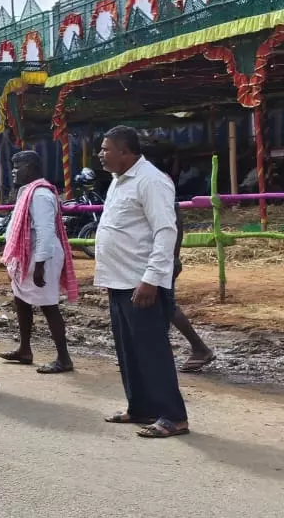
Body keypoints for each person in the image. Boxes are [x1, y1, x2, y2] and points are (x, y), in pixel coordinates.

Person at [95, 126, 189, 438]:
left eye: (106, 149)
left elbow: (165, 231)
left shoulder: (151, 181)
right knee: (129, 350)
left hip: (141, 282)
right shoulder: (118, 181)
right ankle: (141, 407)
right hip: (119, 281)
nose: (101, 154)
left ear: (126, 152)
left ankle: (174, 417)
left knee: (152, 351)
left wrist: (151, 280)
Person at [0, 151, 80, 374]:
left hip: (40, 257)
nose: (14, 170)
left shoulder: (41, 194)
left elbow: (45, 231)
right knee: (21, 300)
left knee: (48, 306)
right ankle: (24, 350)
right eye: (12, 165)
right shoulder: (26, 192)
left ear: (32, 167)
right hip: (26, 255)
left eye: (19, 165)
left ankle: (64, 358)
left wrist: (41, 265)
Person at [139, 138, 216, 372]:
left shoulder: (155, 183)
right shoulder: (149, 181)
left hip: (161, 260)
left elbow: (172, 225)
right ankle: (157, 352)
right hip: (156, 258)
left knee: (166, 306)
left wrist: (172, 257)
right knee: (158, 307)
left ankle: (199, 348)